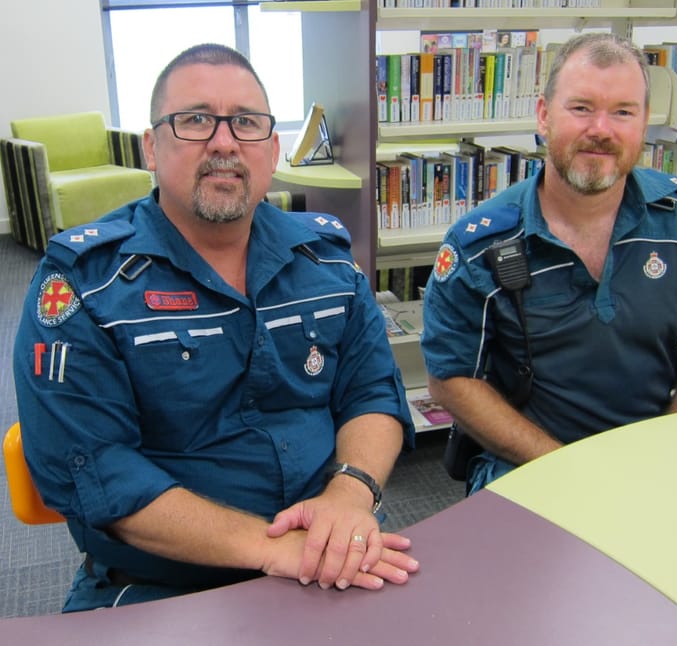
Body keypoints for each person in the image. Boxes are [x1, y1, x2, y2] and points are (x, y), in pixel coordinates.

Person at [13, 43, 419, 612]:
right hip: (162, 584)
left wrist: (351, 492)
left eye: (246, 123)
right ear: (151, 148)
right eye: (196, 119)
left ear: (272, 149)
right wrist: (271, 548)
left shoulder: (327, 262)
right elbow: (96, 470)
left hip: (336, 552)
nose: (224, 142)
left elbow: (372, 392)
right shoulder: (84, 285)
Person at [420, 33, 677, 494]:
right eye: (581, 108)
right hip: (530, 463)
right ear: (543, 116)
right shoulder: (480, 246)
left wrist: (670, 452)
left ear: (644, 123)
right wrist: (570, 470)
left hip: (655, 455)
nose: (602, 129)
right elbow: (452, 379)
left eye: (623, 112)